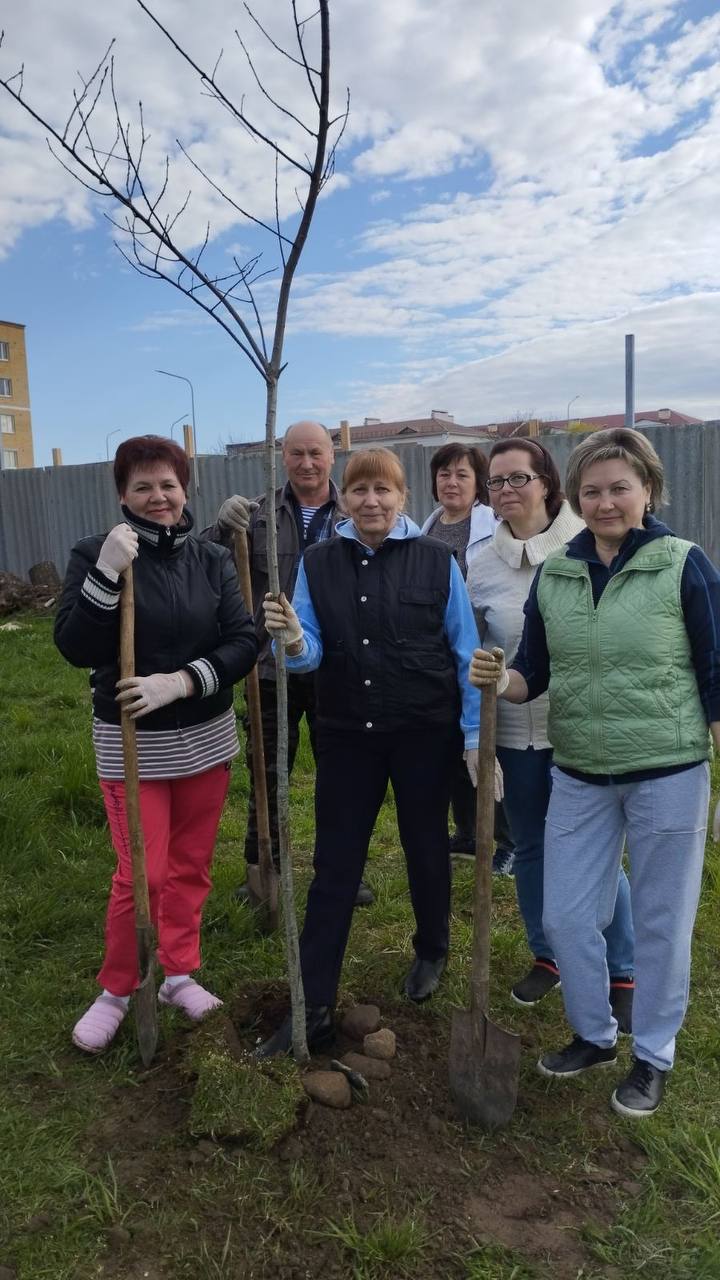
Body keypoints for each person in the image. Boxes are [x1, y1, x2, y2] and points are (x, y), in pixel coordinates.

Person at [470, 428, 720, 1118]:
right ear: (575, 497)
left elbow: (716, 670)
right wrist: (499, 681)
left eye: (620, 488)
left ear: (647, 491)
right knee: (567, 912)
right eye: (594, 490)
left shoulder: (682, 564)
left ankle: (653, 1055)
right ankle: (594, 1034)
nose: (606, 502)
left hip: (667, 768)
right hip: (578, 770)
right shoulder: (559, 572)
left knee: (665, 919)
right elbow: (535, 675)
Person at [256, 447, 486, 1056]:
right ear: (345, 498)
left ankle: (432, 948)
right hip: (347, 734)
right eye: (359, 491)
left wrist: (471, 737)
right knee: (334, 866)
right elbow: (305, 657)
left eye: (383, 491)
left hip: (421, 733)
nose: (371, 502)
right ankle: (314, 1005)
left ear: (403, 497)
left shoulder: (438, 563)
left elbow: (466, 654)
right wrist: (292, 638)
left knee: (425, 847)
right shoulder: (318, 562)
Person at [55, 436, 258, 1054]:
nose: (157, 497)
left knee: (191, 867)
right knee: (140, 873)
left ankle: (177, 973)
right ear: (123, 495)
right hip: (132, 746)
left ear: (184, 489)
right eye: (142, 486)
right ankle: (117, 989)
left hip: (205, 739)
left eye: (168, 484)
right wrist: (106, 575)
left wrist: (181, 681)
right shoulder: (94, 552)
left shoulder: (210, 559)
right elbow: (74, 647)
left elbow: (244, 640)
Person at [467, 438, 634, 1021]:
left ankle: (623, 968)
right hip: (514, 728)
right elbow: (474, 643)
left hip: (580, 727)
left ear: (545, 482)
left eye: (518, 478)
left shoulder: (585, 544)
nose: (506, 491)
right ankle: (549, 956)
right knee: (531, 846)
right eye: (496, 482)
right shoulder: (480, 561)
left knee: (595, 854)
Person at [210, 420, 373, 908]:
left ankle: (343, 873)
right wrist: (223, 525)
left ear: (332, 457)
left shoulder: (356, 514)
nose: (307, 463)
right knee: (267, 772)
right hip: (268, 667)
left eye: (316, 454)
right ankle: (263, 874)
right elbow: (203, 558)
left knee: (342, 776)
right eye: (297, 453)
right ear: (283, 457)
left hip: (335, 669)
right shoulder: (257, 514)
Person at [420, 444, 510, 867]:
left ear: (478, 485)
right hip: (437, 658)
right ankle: (469, 833)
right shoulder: (428, 527)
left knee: (489, 746)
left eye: (461, 475)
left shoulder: (494, 525)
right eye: (443, 474)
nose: (451, 482)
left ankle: (505, 840)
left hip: (483, 651)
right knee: (454, 746)